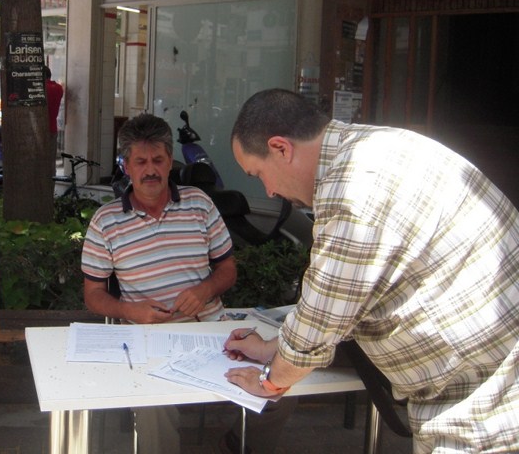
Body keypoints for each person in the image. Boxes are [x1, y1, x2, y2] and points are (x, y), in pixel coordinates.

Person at [224, 88, 519, 453]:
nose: (267, 192)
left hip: (484, 404)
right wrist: (272, 347)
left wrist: (269, 384)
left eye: (258, 174)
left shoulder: (351, 189)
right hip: (486, 382)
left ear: (281, 149)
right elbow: (335, 302)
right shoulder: (379, 145)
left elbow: (318, 323)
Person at [81, 113, 294, 454]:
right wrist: (128, 310)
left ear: (170, 161)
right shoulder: (106, 221)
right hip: (149, 339)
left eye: (158, 160)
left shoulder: (198, 203)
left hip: (213, 334)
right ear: (125, 165)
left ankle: (239, 445)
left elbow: (227, 269)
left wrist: (204, 290)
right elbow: (93, 295)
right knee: (154, 404)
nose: (150, 170)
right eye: (140, 161)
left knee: (284, 386)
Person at [43, 65, 63, 173]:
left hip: (40, 131)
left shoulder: (42, 89)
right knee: (51, 163)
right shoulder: (58, 88)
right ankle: (51, 188)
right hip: (52, 128)